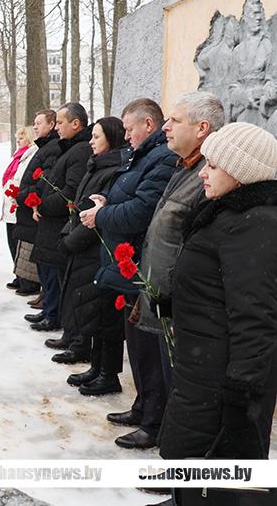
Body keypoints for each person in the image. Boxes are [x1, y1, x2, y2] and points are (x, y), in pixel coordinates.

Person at [159, 122, 277, 461]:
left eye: (212, 166)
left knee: (213, 463)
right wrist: (171, 302)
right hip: (201, 365)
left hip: (219, 374)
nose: (202, 174)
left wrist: (242, 392)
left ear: (241, 172)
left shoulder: (254, 224)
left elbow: (255, 315)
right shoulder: (228, 213)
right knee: (191, 457)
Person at [79, 99, 178, 437]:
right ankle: (143, 406)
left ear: (147, 125)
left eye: (129, 128)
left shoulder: (162, 158)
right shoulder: (145, 155)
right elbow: (130, 197)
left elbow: (142, 210)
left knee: (148, 348)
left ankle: (153, 417)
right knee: (136, 345)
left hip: (142, 266)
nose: (126, 135)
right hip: (129, 264)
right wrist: (107, 203)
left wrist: (102, 215)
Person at [124, 92, 225, 424]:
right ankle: (154, 422)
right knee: (155, 367)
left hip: (179, 303)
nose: (165, 126)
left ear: (202, 129)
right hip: (159, 291)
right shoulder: (184, 167)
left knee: (177, 384)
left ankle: (164, 434)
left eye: (175, 120)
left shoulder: (210, 177)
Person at [58, 117, 127, 385]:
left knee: (102, 313)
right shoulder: (97, 165)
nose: (91, 141)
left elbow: (97, 214)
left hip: (95, 248)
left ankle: (106, 372)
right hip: (84, 247)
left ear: (112, 138)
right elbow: (80, 204)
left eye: (96, 137)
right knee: (93, 311)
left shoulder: (112, 169)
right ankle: (96, 367)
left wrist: (72, 241)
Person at [25, 103, 93, 335]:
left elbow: (70, 191)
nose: (57, 128)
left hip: (57, 221)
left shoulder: (80, 150)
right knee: (48, 271)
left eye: (61, 123)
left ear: (76, 124)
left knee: (55, 272)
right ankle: (49, 310)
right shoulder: (68, 147)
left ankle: (54, 314)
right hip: (49, 219)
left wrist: (42, 205)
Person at [12, 110, 59, 302]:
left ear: (52, 125)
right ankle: (44, 295)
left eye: (39, 123)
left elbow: (43, 180)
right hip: (27, 204)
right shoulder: (44, 146)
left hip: (35, 206)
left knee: (39, 256)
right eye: (35, 123)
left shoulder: (52, 147)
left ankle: (44, 295)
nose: (36, 127)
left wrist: (24, 195)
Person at [1, 126, 37, 291]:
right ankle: (18, 275)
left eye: (21, 138)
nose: (18, 140)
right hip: (10, 204)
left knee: (19, 243)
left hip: (19, 204)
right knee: (12, 241)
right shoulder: (18, 156)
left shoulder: (30, 154)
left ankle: (26, 279)